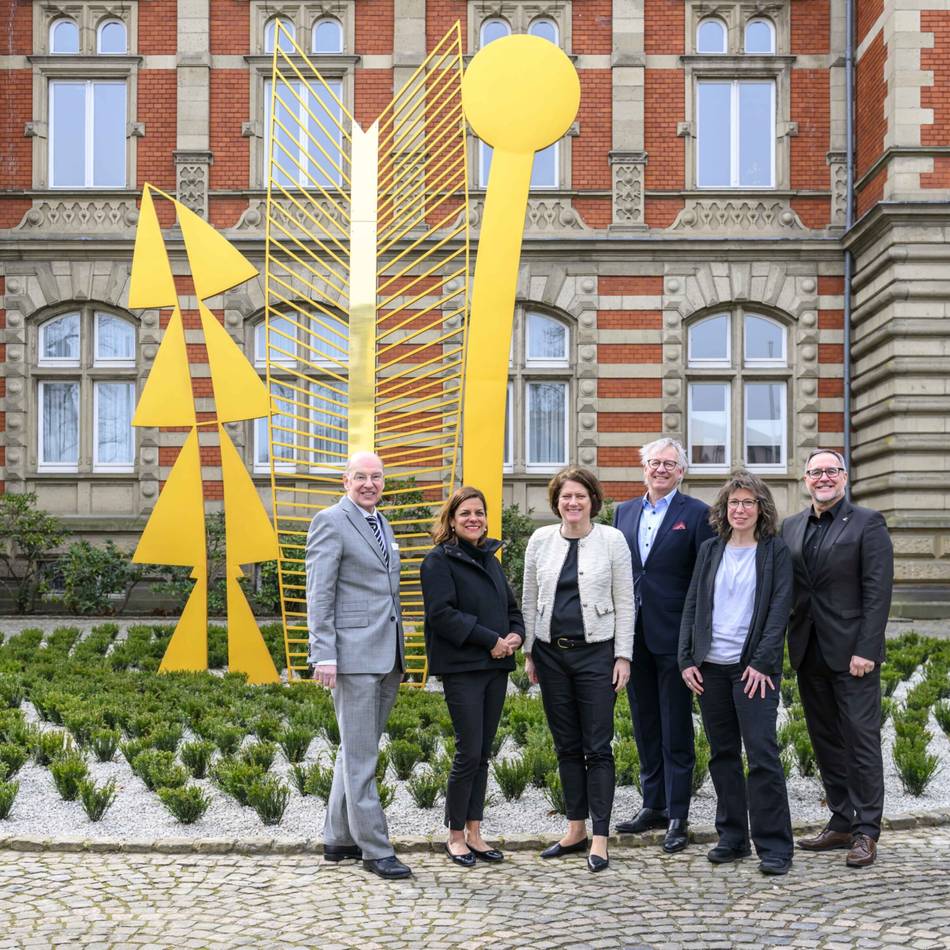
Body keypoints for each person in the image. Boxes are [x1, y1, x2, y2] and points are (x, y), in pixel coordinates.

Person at [678, 471, 794, 876]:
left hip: (753, 671)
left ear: (761, 509)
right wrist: (687, 658)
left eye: (748, 503)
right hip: (710, 668)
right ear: (724, 510)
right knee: (722, 754)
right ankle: (732, 837)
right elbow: (692, 604)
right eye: (733, 503)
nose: (740, 509)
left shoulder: (775, 551)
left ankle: (775, 845)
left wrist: (762, 663)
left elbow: (780, 609)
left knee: (762, 755)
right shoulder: (711, 549)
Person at [782, 449, 893, 868]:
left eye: (831, 471)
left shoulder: (868, 523)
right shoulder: (791, 527)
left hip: (853, 655)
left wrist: (867, 648)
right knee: (826, 739)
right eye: (816, 472)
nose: (823, 478)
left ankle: (867, 830)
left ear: (844, 477)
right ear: (805, 479)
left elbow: (877, 592)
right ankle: (842, 820)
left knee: (861, 741)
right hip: (808, 651)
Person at [522, 466, 634, 872]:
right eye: (565, 496)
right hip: (552, 656)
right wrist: (531, 652)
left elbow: (626, 601)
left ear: (592, 501)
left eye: (580, 496)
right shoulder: (540, 540)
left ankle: (600, 836)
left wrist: (624, 656)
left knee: (597, 747)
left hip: (597, 655)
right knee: (565, 745)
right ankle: (575, 828)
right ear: (556, 501)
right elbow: (529, 597)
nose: (572, 503)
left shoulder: (612, 540)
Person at [306, 451, 411, 880]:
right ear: (345, 481)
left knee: (355, 749)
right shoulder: (330, 521)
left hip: (386, 653)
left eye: (377, 477)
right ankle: (375, 848)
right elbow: (319, 592)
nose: (370, 484)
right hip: (352, 656)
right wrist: (324, 653)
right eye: (361, 477)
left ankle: (338, 837)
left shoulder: (380, 522)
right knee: (363, 756)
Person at [613, 437, 715, 852]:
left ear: (681, 472)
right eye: (654, 462)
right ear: (643, 468)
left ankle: (678, 813)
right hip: (631, 635)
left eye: (669, 464)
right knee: (644, 723)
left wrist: (694, 642)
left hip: (674, 637)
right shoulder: (623, 511)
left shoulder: (698, 515)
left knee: (675, 727)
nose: (660, 470)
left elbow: (702, 581)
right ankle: (652, 803)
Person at [420, 487, 525, 867]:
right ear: (451, 519)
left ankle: (476, 832)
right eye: (465, 513)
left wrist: (516, 635)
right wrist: (491, 641)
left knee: (483, 752)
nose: (473, 519)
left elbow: (511, 607)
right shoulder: (438, 561)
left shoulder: (489, 559)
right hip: (464, 668)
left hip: (495, 667)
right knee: (468, 751)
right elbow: (443, 615)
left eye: (479, 513)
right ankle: (455, 836)